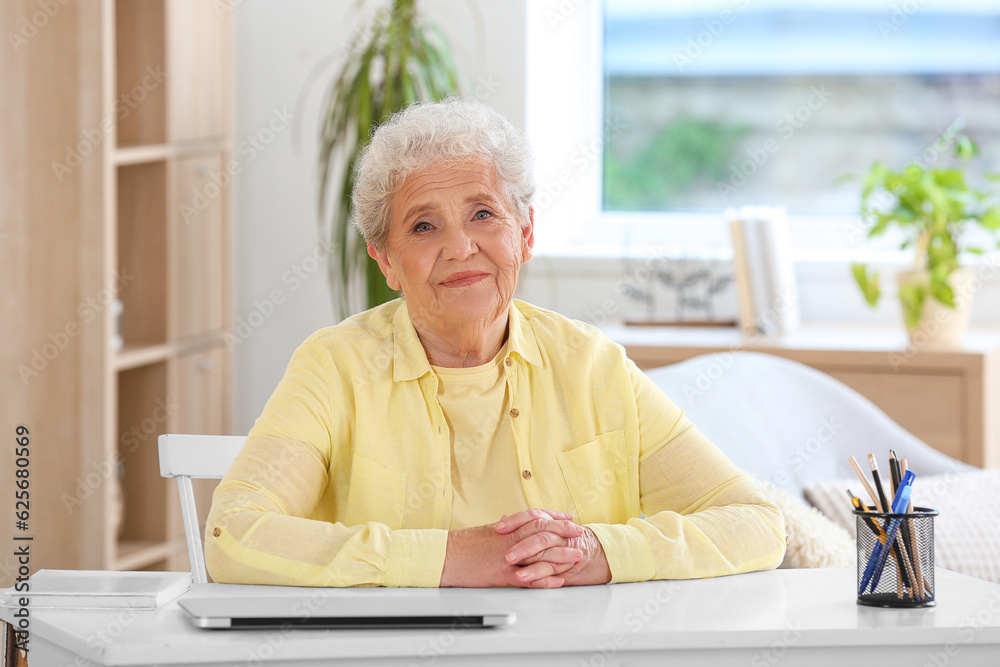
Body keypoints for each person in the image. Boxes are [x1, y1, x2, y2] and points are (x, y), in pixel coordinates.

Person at [205, 98, 786, 588]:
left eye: (483, 213)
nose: (460, 248)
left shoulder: (593, 366)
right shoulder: (333, 367)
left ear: (525, 232)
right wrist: (450, 558)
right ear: (386, 260)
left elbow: (757, 522)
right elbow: (233, 535)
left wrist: (596, 553)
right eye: (424, 226)